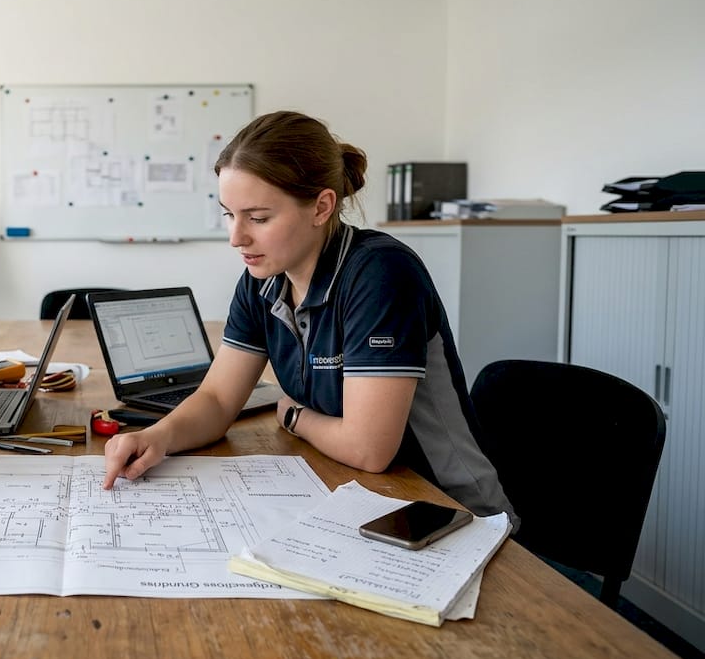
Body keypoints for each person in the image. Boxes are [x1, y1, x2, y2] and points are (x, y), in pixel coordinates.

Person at [101, 110, 516, 524]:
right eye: (230, 214)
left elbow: (369, 449)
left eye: (258, 218)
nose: (236, 237)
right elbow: (217, 399)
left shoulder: (381, 275)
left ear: (321, 207)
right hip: (365, 498)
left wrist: (295, 416)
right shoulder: (261, 279)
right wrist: (156, 436)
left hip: (453, 513)